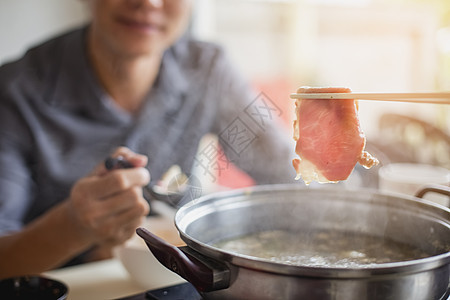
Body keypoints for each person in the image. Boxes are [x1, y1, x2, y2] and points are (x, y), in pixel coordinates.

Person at [0, 0, 295, 279]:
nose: (149, 2)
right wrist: (73, 226)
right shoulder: (15, 92)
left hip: (174, 281)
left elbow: (290, 175)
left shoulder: (208, 69)